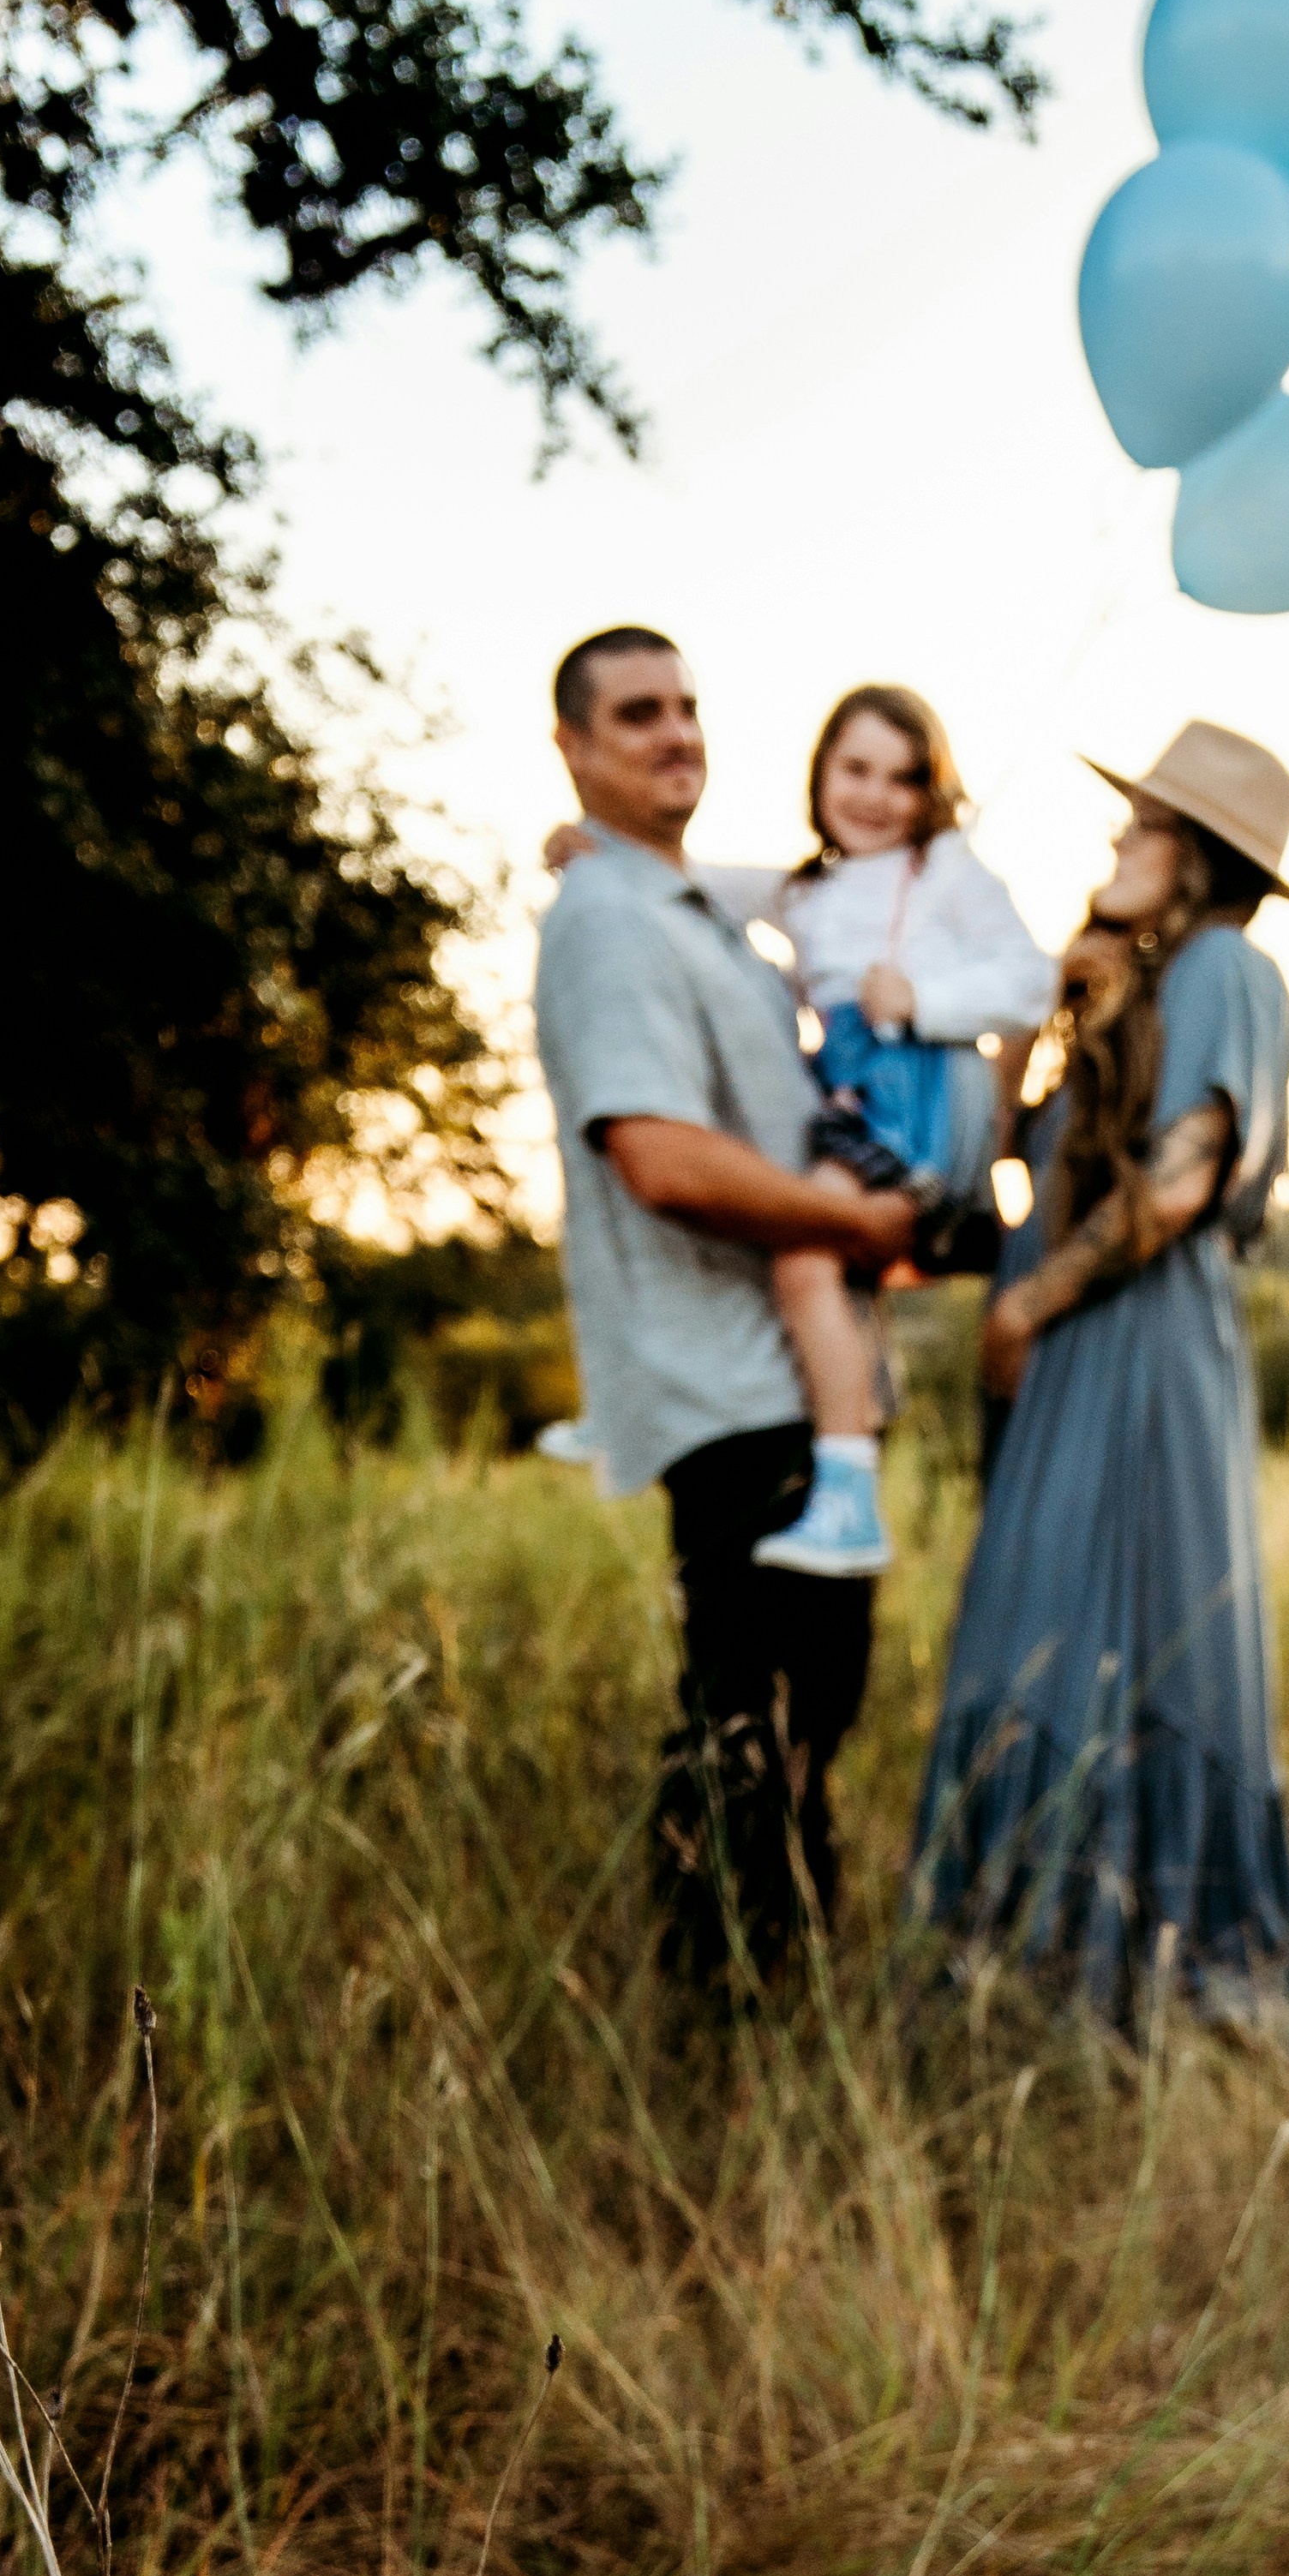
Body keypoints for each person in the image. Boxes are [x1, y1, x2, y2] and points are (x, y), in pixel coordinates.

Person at [908, 720, 1289, 2037]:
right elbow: (1008, 1154)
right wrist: (1046, 1008)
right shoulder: (1137, 990)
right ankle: (1025, 1961)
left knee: (1130, 1636)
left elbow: (1187, 1178)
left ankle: (1154, 1964)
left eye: (1143, 825)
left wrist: (1031, 1300)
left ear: (1196, 855)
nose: (1118, 841)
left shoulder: (1228, 969)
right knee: (1032, 1628)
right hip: (1071, 1344)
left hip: (1137, 1343)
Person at [532, 624, 920, 1980]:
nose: (676, 732)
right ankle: (728, 2003)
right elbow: (657, 1154)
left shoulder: (701, 914)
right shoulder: (609, 922)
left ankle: (786, 1982)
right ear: (574, 746)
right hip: (730, 1387)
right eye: (638, 713)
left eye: (687, 706)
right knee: (747, 1717)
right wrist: (856, 1221)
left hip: (798, 1379)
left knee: (808, 1708)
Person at [549, 680, 1053, 1585]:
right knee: (793, 1248)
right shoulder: (808, 889)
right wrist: (589, 848)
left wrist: (927, 1000)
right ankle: (636, 1404)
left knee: (802, 1257)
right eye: (855, 769)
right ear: (820, 774)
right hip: (852, 1094)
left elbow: (1029, 981)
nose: (875, 797)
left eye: (903, 779)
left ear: (932, 793)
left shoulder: (945, 871)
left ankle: (848, 1491)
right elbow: (692, 884)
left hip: (916, 1096)